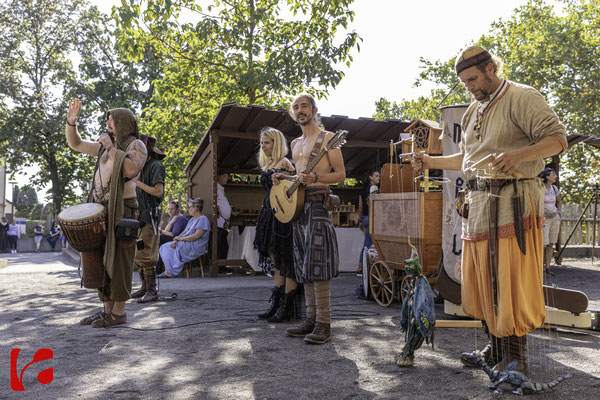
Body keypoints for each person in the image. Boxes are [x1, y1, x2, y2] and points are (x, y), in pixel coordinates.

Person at [411, 46, 567, 373]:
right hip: (479, 205)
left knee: (509, 282)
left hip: (514, 203)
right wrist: (430, 161)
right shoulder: (472, 111)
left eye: (472, 78)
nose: (468, 85)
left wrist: (519, 156)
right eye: (464, 81)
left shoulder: (523, 97)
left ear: (490, 69)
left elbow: (556, 140)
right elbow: (466, 160)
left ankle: (517, 360)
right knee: (483, 281)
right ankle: (496, 349)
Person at [65, 99, 147, 328]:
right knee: (100, 260)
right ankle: (107, 310)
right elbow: (77, 144)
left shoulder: (135, 145)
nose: (107, 121)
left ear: (122, 122)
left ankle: (119, 313)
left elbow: (131, 169)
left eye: (111, 118)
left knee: (119, 261)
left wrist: (112, 148)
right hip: (100, 210)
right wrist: (71, 123)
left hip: (123, 210)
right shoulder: (103, 147)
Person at [274, 93, 346, 344]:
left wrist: (316, 178)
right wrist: (284, 178)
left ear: (314, 110)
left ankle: (324, 324)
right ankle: (310, 319)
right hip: (298, 208)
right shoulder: (294, 145)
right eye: (295, 107)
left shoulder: (328, 139)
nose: (299, 110)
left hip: (317, 206)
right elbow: (300, 177)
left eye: (304, 106)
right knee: (303, 264)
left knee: (318, 263)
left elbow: (340, 175)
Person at [253, 127, 300, 322]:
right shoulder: (270, 163)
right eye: (262, 143)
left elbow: (293, 187)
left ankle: (288, 306)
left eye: (267, 143)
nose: (263, 146)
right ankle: (278, 303)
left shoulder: (285, 163)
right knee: (275, 259)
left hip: (282, 215)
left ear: (277, 143)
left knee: (285, 260)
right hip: (269, 213)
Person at [130, 135, 166, 303]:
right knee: (139, 250)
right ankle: (145, 287)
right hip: (140, 215)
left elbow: (158, 192)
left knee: (147, 253)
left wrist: (138, 183)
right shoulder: (141, 167)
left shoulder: (156, 166)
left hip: (151, 214)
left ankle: (152, 291)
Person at [158, 198, 210, 278]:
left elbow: (196, 236)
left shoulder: (203, 219)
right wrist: (176, 238)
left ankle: (170, 272)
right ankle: (168, 271)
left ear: (196, 208)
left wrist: (180, 240)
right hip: (187, 242)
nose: (188, 209)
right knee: (165, 246)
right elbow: (184, 232)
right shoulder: (192, 219)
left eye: (190, 207)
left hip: (195, 246)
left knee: (169, 246)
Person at [357, 169, 380, 276]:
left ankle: (364, 266)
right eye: (376, 176)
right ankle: (361, 267)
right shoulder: (374, 189)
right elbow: (374, 205)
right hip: (372, 218)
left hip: (365, 219)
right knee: (368, 244)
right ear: (370, 177)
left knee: (368, 243)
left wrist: (360, 220)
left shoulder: (363, 191)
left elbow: (360, 206)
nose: (378, 178)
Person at [539, 167, 562, 276]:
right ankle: (538, 267)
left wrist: (559, 211)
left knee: (551, 244)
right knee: (543, 243)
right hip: (544, 219)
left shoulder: (554, 188)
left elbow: (559, 200)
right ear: (547, 176)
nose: (556, 176)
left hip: (554, 218)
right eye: (553, 174)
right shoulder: (540, 188)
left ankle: (547, 268)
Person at [155, 201, 188, 274]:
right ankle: (158, 269)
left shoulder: (180, 218)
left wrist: (160, 230)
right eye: (168, 209)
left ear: (177, 209)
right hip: (174, 238)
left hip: (180, 239)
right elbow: (167, 230)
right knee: (160, 243)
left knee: (161, 238)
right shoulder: (173, 218)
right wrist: (171, 222)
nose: (170, 211)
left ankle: (158, 269)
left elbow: (174, 234)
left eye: (172, 209)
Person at [216, 170, 232, 261]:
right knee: (220, 244)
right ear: (219, 177)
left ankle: (223, 265)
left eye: (227, 177)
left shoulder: (221, 189)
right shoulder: (216, 189)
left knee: (224, 244)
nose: (227, 179)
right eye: (225, 176)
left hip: (225, 222)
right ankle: (219, 265)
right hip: (219, 221)